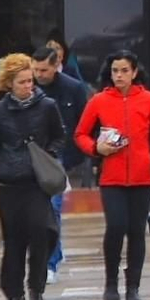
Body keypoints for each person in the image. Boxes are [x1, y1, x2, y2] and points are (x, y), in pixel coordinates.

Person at [75, 50, 150, 300]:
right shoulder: (99, 101)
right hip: (112, 177)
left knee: (136, 232)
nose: (119, 76)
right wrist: (97, 149)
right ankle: (111, 282)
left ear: (134, 72)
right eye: (114, 71)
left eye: (124, 71)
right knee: (116, 226)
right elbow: (80, 134)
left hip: (143, 177)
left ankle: (133, 287)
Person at [0, 54, 65, 300]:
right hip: (9, 185)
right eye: (22, 82)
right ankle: (15, 293)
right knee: (14, 241)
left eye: (30, 81)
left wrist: (48, 154)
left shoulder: (47, 106)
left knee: (41, 233)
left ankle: (36, 288)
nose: (28, 86)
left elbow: (59, 136)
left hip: (36, 183)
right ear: (9, 83)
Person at [32, 46, 88, 284]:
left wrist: (77, 156)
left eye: (44, 69)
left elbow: (83, 123)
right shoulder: (28, 89)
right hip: (31, 155)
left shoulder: (73, 88)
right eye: (35, 69)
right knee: (35, 212)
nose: (39, 74)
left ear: (56, 66)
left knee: (53, 209)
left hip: (58, 156)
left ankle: (50, 263)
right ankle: (55, 252)